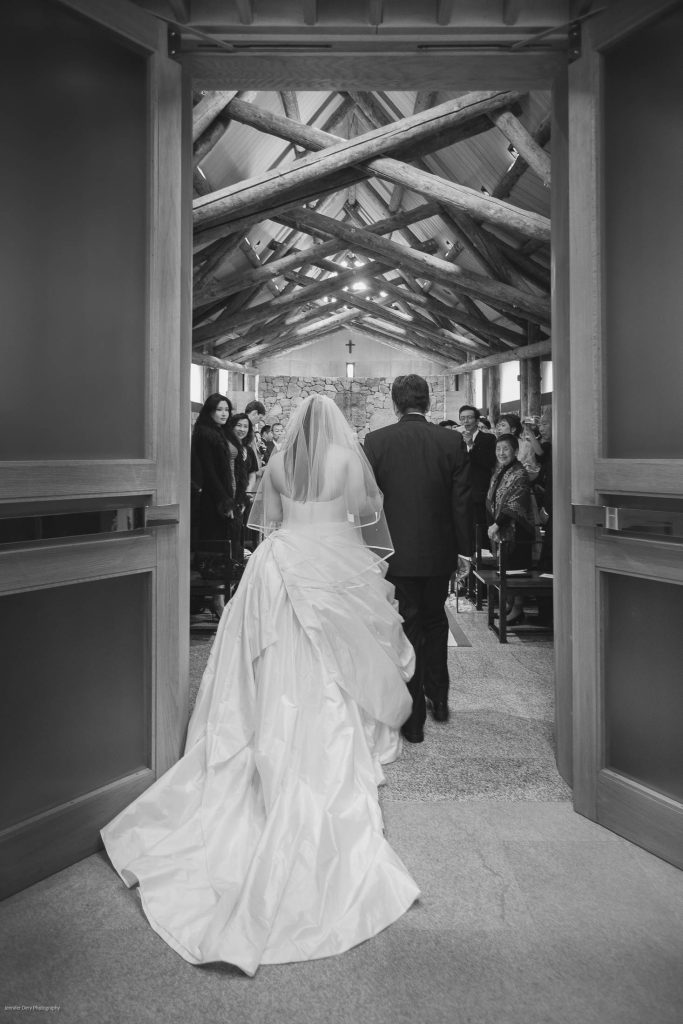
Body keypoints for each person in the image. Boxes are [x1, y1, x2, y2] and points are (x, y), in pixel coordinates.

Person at [101, 395, 419, 974]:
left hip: (277, 566)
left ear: (296, 426)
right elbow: (365, 516)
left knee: (266, 656)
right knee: (334, 660)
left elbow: (267, 520)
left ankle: (261, 720)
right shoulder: (347, 464)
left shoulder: (274, 464)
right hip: (330, 565)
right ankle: (329, 728)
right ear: (335, 430)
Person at [364, 375, 472, 743]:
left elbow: (370, 504)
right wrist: (464, 551)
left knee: (407, 625)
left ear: (395, 404)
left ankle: (414, 720)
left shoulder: (377, 442)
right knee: (435, 620)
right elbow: (462, 501)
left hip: (396, 552)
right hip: (439, 550)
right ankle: (439, 698)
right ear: (426, 403)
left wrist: (372, 549)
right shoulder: (451, 440)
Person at [190, 394, 245, 615]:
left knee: (231, 548)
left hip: (232, 496)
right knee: (216, 549)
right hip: (215, 500)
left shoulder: (224, 432)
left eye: (227, 410)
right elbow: (209, 472)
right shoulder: (205, 433)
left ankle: (225, 596)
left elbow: (239, 467)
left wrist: (238, 498)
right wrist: (225, 501)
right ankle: (216, 599)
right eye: (219, 409)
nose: (224, 413)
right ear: (210, 411)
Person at [486, 433, 536, 625]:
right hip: (502, 528)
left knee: (516, 571)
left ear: (515, 451)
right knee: (505, 569)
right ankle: (508, 605)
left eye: (506, 449)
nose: (501, 453)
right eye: (498, 449)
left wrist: (497, 523)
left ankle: (517, 609)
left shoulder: (519, 473)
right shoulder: (502, 470)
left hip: (517, 529)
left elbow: (514, 504)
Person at [458, 404, 497, 554]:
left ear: (476, 420)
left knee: (480, 526)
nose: (466, 421)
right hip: (462, 490)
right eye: (462, 418)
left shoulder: (488, 438)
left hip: (479, 490)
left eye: (469, 418)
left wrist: (471, 445)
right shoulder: (456, 438)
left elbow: (487, 462)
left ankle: (483, 557)